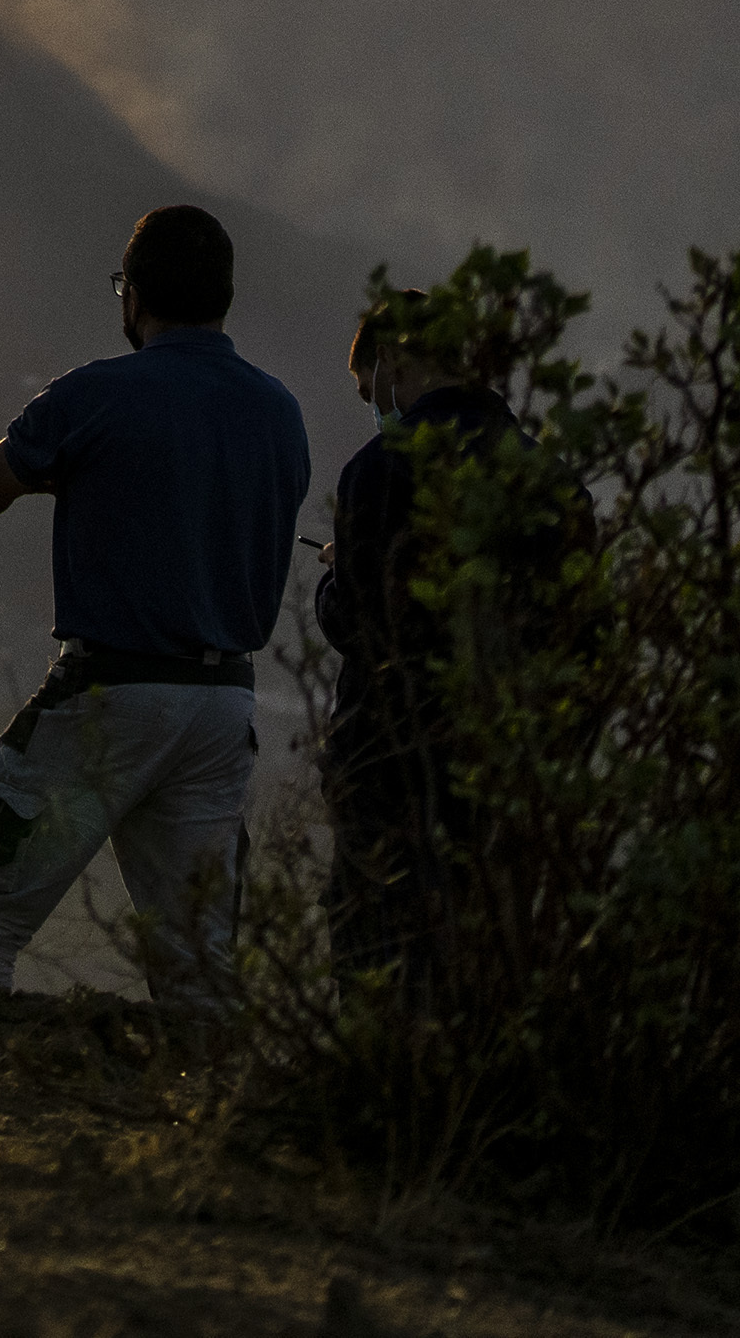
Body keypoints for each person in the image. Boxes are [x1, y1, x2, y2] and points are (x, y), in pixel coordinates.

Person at [0, 202, 309, 1005]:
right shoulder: (278, 409)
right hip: (220, 706)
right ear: (223, 296)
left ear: (132, 295)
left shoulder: (95, 394)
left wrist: (59, 468)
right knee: (201, 966)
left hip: (110, 695)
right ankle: (207, 1118)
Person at [316, 285, 531, 990]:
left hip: (390, 754)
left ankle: (385, 1090)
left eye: (364, 387)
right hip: (506, 754)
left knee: (381, 947)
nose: (371, 403)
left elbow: (362, 619)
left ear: (388, 362)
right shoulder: (532, 463)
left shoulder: (382, 468)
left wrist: (335, 575)